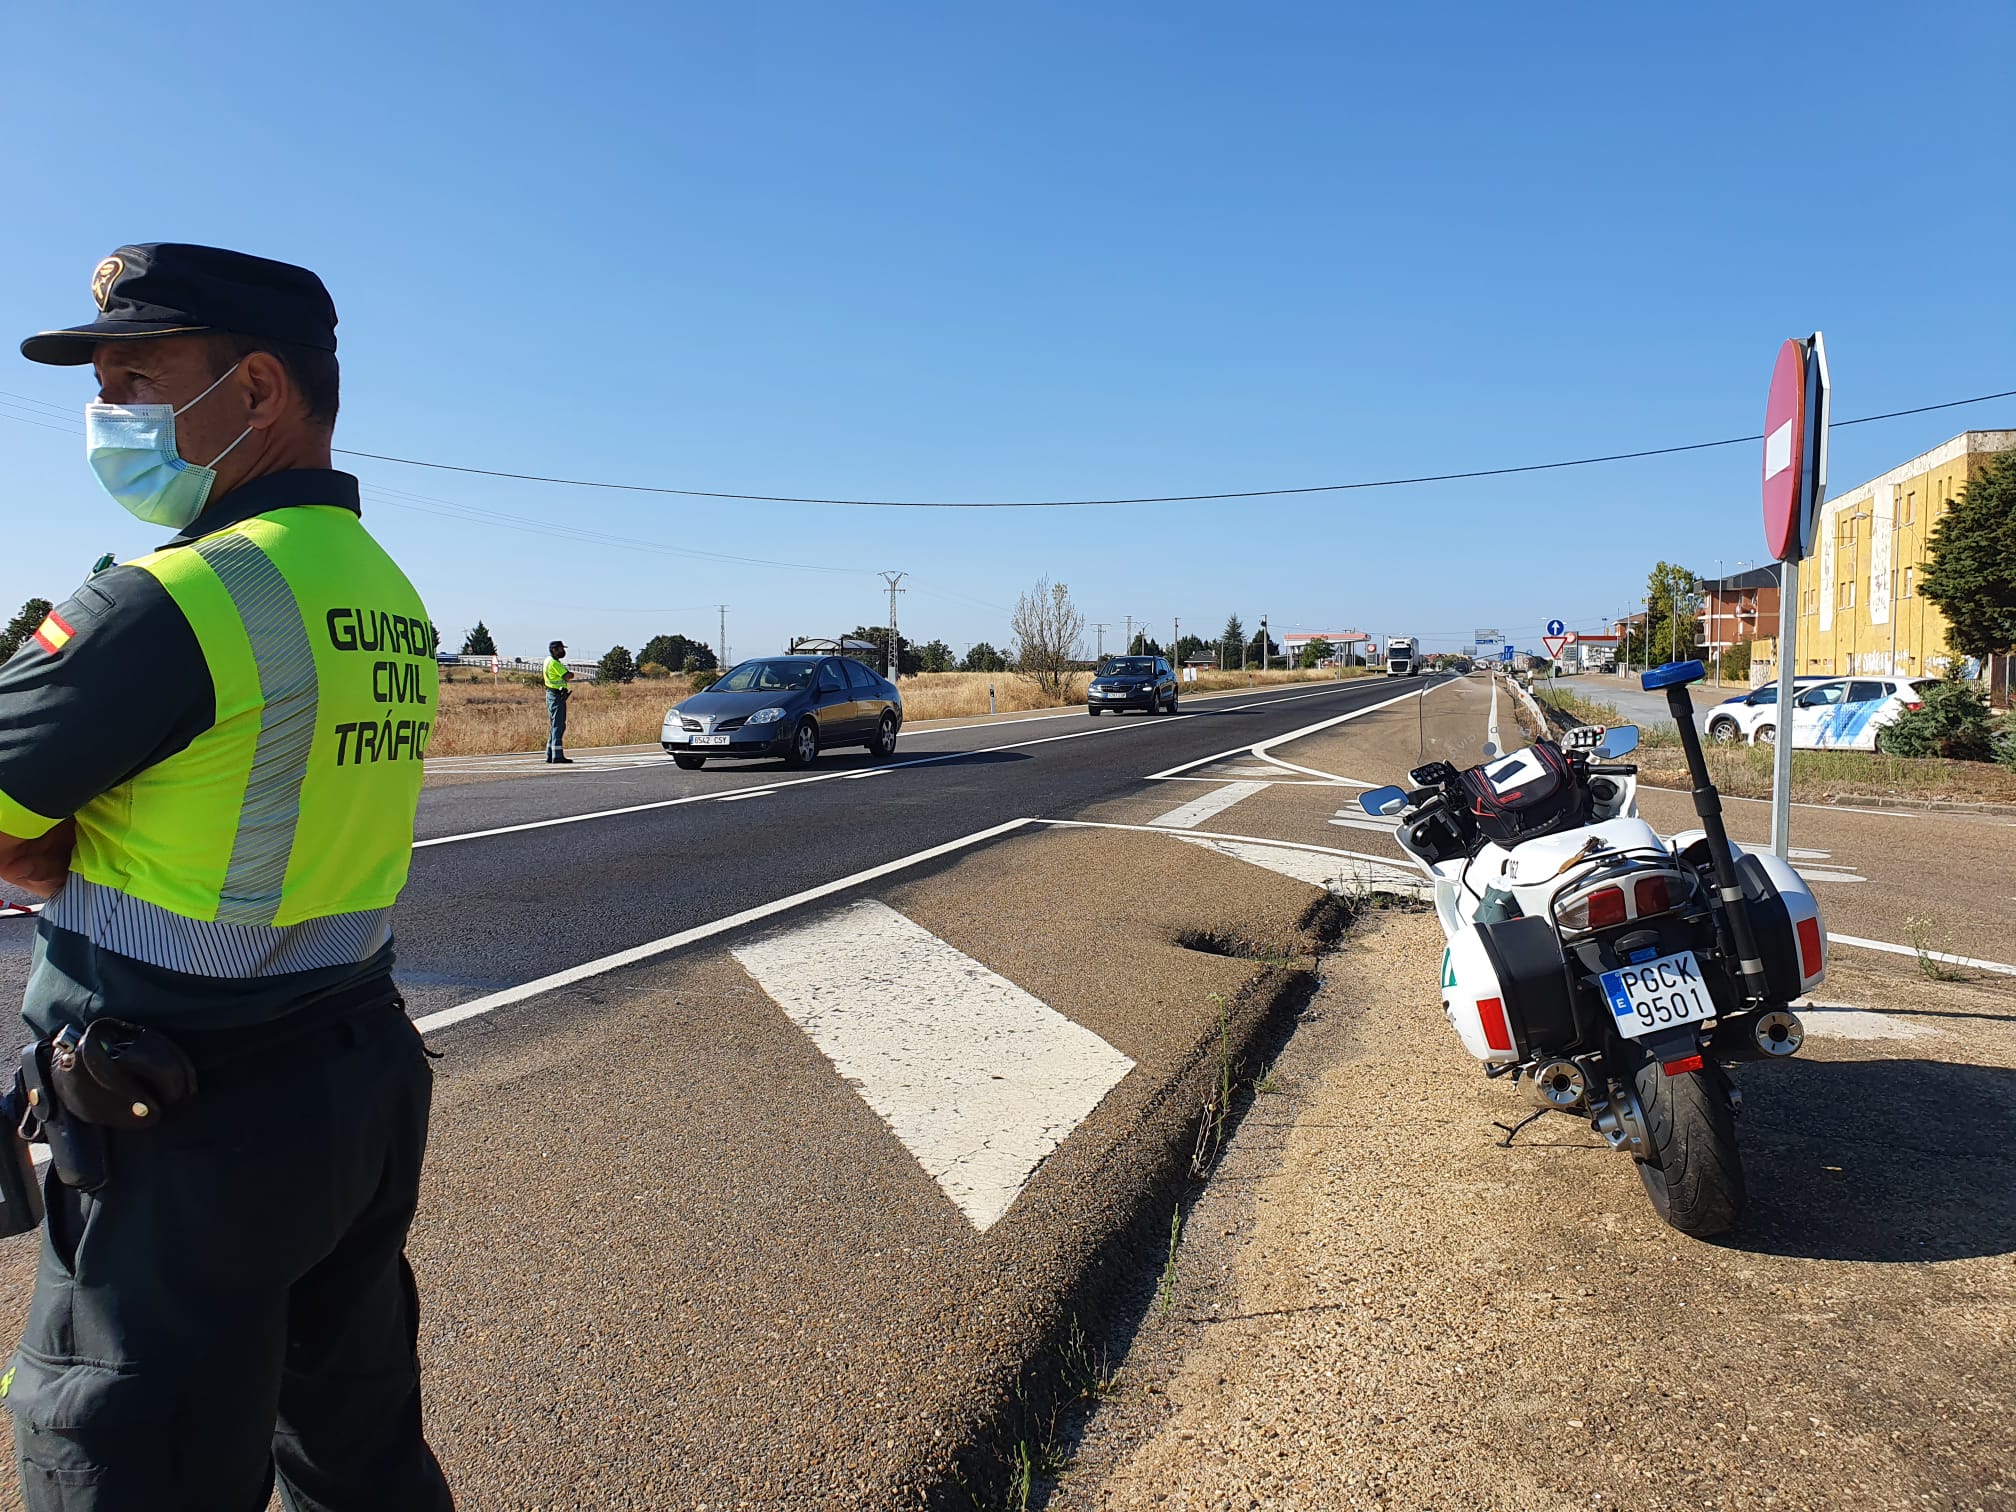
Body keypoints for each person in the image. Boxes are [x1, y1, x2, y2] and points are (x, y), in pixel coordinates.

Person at [0, 244, 454, 1510]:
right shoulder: (385, 592)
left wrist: (60, 847)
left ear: (257, 391)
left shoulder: (169, 602)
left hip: (180, 1120)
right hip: (353, 1083)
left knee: (122, 1460)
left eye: (138, 378)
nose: (109, 413)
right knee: (357, 1460)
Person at [543, 639, 574, 763]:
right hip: (557, 696)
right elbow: (567, 676)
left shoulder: (547, 660)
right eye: (561, 649)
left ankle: (550, 754)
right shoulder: (554, 663)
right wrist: (571, 674)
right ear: (554, 650)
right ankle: (557, 755)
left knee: (554, 725)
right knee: (558, 725)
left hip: (552, 695)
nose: (563, 651)